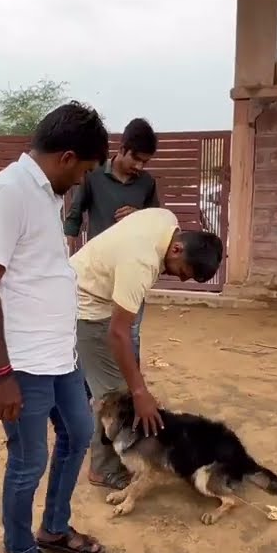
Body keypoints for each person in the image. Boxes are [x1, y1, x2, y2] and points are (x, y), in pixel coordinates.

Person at [0, 101, 110, 553]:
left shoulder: (45, 193)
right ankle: (18, 549)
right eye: (85, 171)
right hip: (20, 361)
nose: (81, 182)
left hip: (58, 354)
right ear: (68, 157)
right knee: (29, 459)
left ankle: (52, 527)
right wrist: (1, 375)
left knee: (79, 431)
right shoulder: (8, 192)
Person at [70, 207, 224, 490]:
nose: (179, 279)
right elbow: (118, 333)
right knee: (113, 396)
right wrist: (140, 393)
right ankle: (103, 469)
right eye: (183, 272)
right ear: (177, 249)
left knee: (117, 381)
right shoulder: (140, 263)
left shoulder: (166, 220)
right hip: (85, 308)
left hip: (97, 290)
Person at [63, 118, 161, 367]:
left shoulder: (147, 184)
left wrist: (138, 214)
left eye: (145, 162)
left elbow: (157, 223)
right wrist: (65, 261)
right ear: (122, 148)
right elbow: (74, 218)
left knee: (132, 335)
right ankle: (92, 390)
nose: (139, 166)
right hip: (98, 275)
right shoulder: (93, 177)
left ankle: (129, 390)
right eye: (136, 159)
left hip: (132, 272)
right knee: (94, 331)